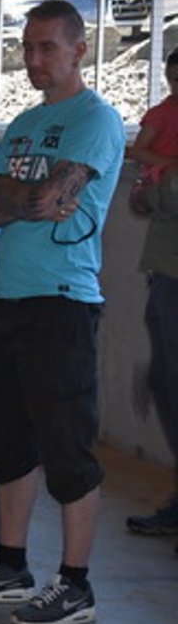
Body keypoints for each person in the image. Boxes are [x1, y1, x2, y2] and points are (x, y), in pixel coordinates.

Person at [0, 0, 125, 624]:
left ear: (79, 50)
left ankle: (75, 585)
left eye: (49, 47)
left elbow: (50, 197)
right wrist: (22, 199)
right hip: (8, 299)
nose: (36, 59)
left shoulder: (95, 120)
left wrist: (17, 197)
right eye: (29, 47)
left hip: (62, 305)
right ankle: (10, 563)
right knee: (4, 441)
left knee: (68, 447)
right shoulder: (21, 124)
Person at [127, 48, 178, 538]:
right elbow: (143, 194)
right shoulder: (162, 117)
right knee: (166, 383)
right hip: (165, 271)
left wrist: (158, 187)